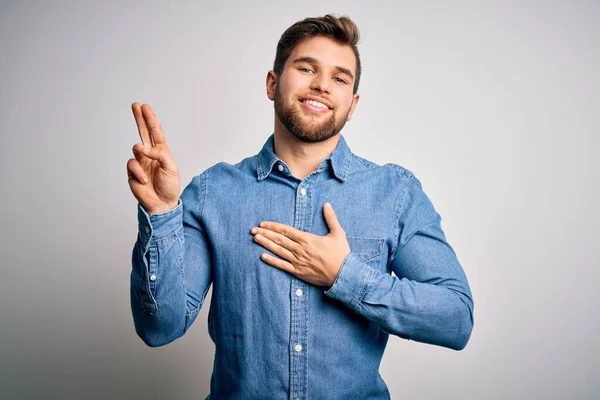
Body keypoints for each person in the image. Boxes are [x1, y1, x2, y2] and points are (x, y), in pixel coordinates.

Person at [126, 14, 474, 399]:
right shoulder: (212, 192)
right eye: (307, 68)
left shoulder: (395, 193)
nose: (322, 85)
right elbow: (159, 328)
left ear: (352, 104)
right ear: (272, 83)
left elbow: (455, 318)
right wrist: (161, 215)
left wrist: (344, 275)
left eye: (340, 78)